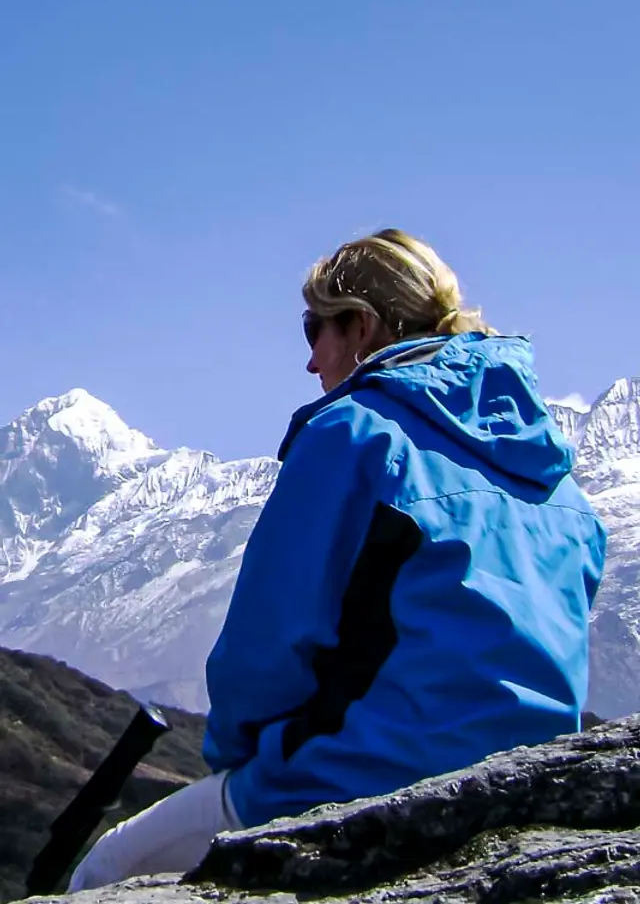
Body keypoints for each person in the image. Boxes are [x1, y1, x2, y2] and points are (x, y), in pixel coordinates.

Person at [68, 228, 606, 891]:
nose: (312, 360)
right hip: (533, 781)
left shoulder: (352, 433)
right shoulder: (562, 484)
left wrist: (244, 764)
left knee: (105, 868)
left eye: (314, 329)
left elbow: (266, 651)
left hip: (367, 773)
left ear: (363, 327)